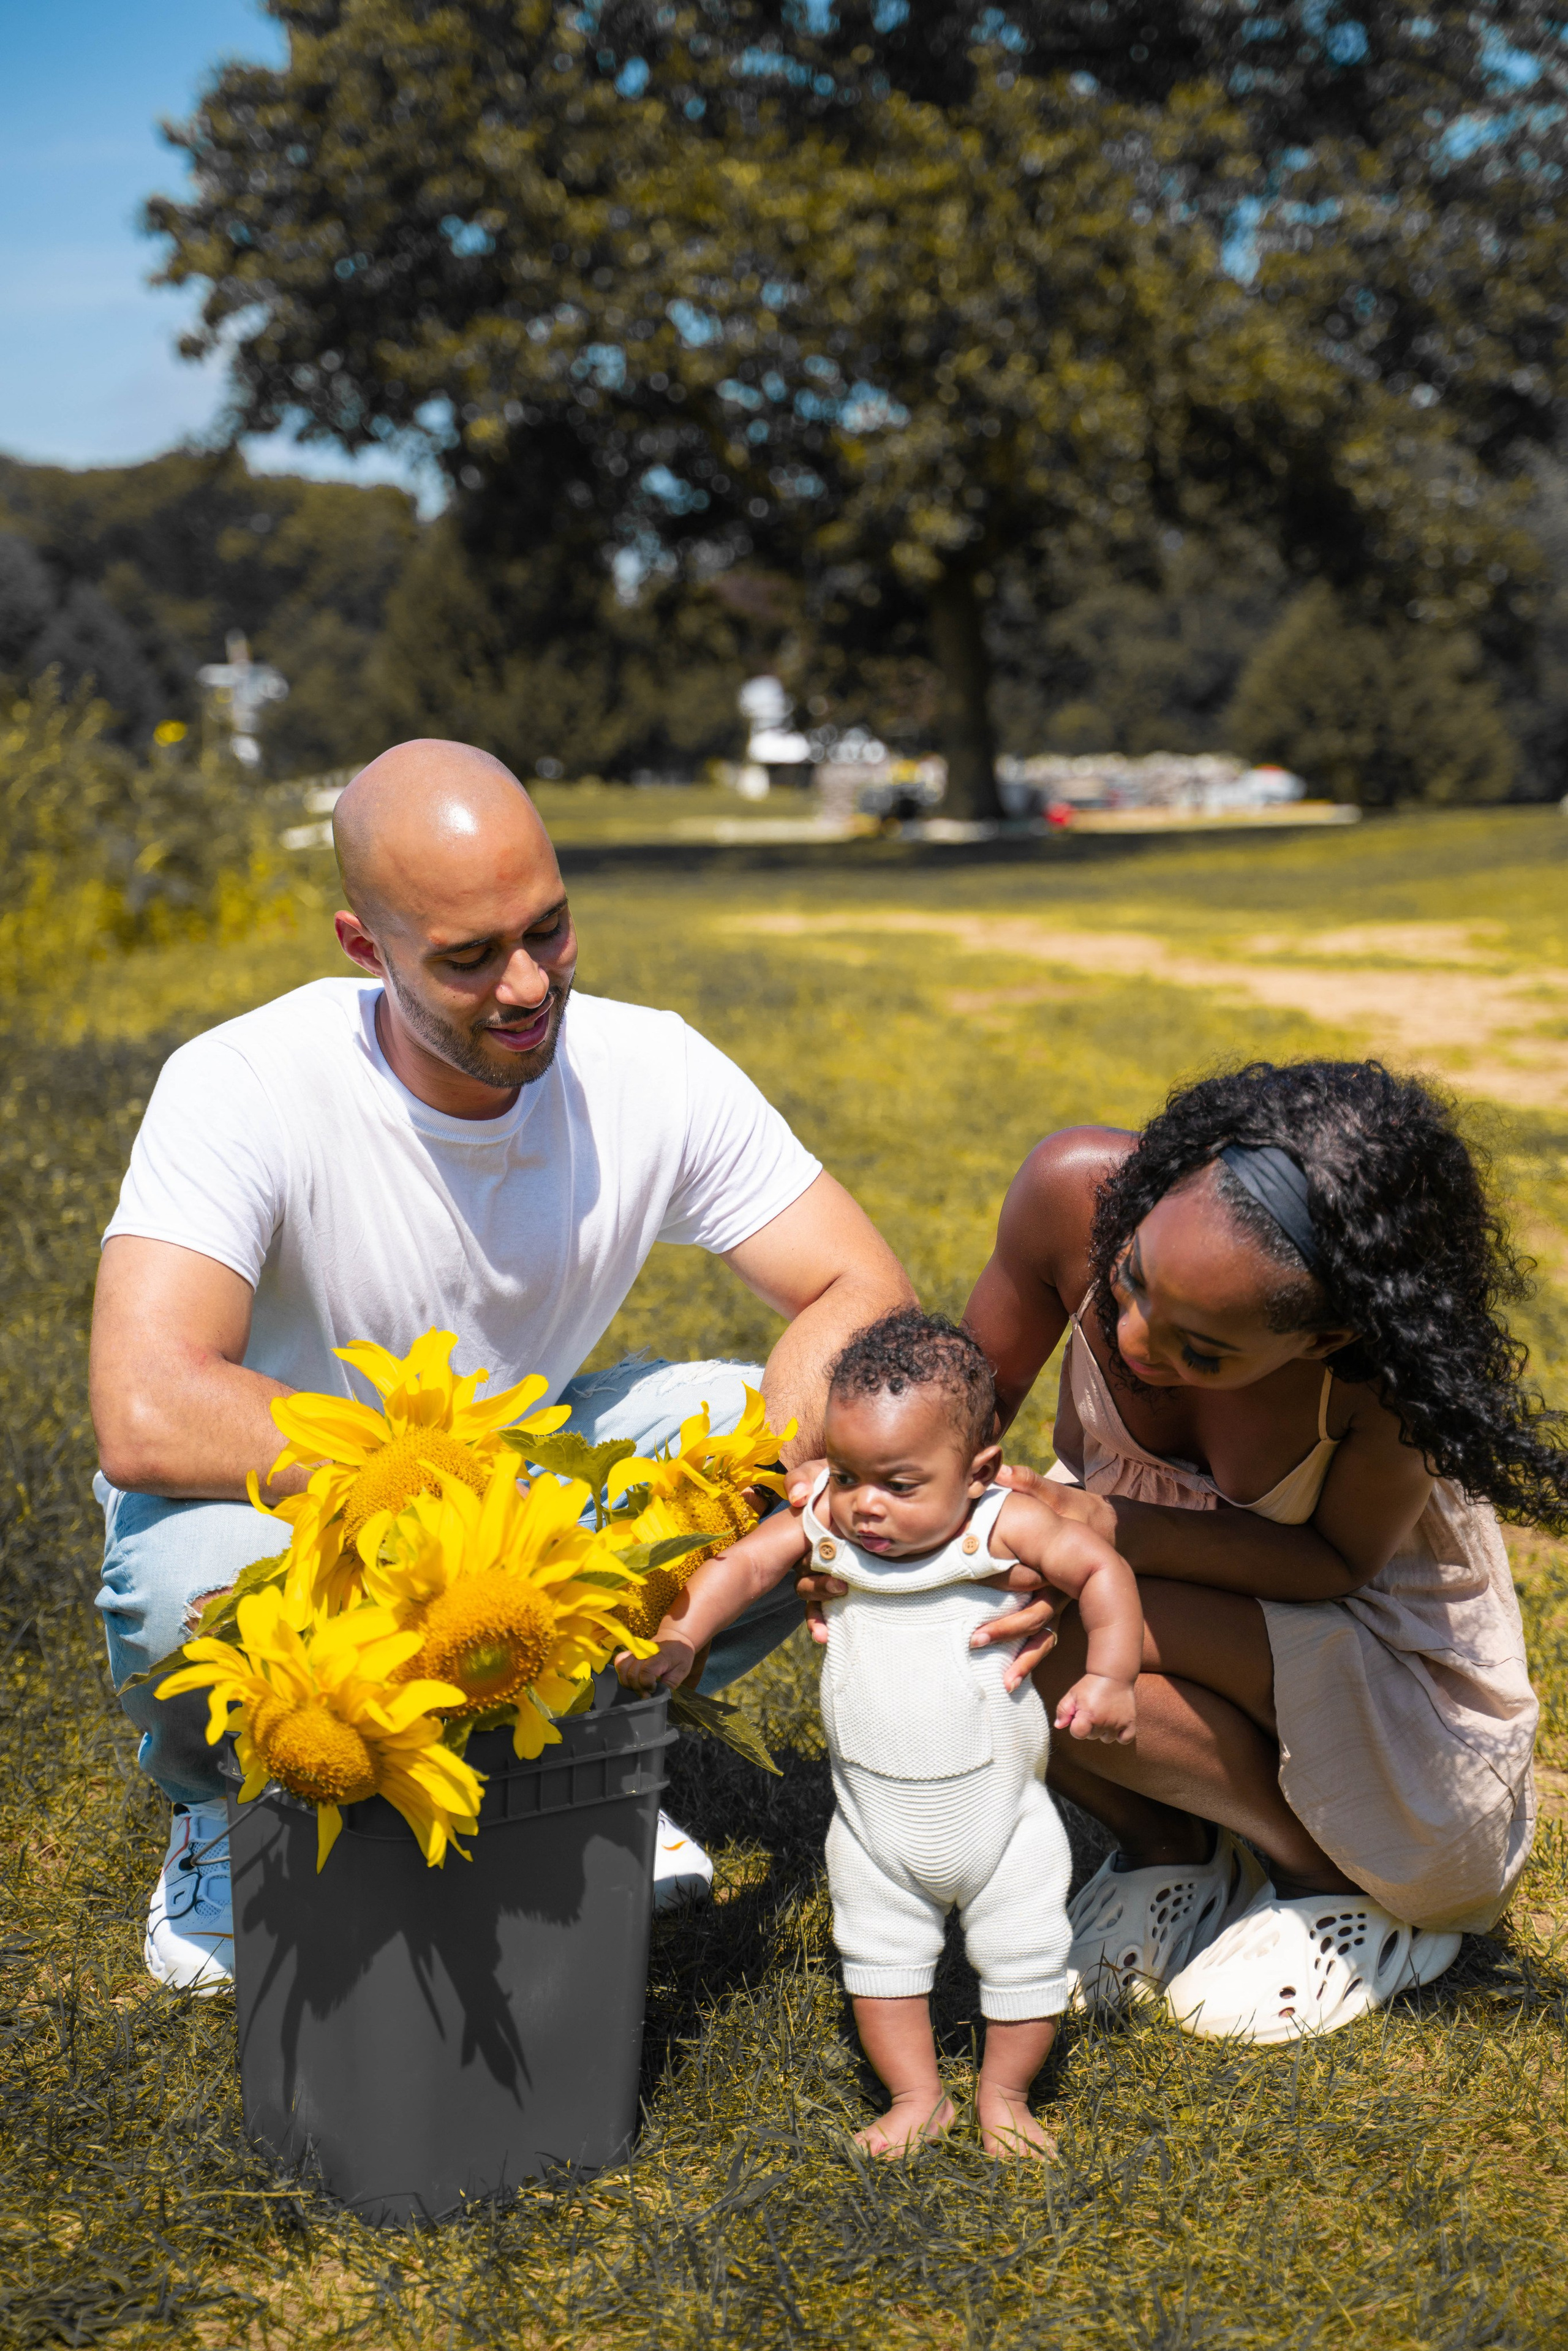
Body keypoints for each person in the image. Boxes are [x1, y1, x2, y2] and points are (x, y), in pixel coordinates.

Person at [89, 738, 912, 1993]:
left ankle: (572, 1767)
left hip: (521, 1474)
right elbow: (149, 1402)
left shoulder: (653, 1068)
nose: (529, 984)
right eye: (469, 957)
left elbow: (861, 1290)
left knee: (782, 1437)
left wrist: (760, 1477)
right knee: (186, 1586)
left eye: (551, 929)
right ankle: (223, 1811)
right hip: (280, 1495)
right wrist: (432, 1485)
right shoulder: (241, 1082)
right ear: (363, 945)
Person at [924, 1060, 1548, 2043]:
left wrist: (1113, 1530)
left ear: (1327, 1334)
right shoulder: (1069, 1195)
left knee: (1039, 1610)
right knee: (964, 1609)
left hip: (1373, 1644)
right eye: (1127, 1280)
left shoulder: (1379, 1381)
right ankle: (1171, 1845)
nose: (1131, 1338)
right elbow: (950, 1432)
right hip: (1179, 1591)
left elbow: (1335, 1561)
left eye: (1203, 1352)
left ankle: (1323, 1869)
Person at [617, 1308, 1143, 2156]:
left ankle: (1007, 2097)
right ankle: (917, 2095)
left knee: (1027, 1959)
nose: (865, 1504)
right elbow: (747, 1563)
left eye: (898, 1484)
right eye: (849, 1471)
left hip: (1002, 1823)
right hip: (873, 1829)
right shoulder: (829, 1520)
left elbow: (1099, 1566)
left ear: (975, 1473)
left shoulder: (998, 1526)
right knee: (879, 1964)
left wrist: (1110, 1672)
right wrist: (684, 1634)